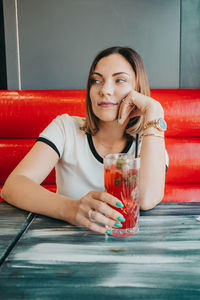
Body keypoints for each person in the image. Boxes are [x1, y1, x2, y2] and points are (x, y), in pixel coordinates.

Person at [1, 46, 168, 235]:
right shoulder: (65, 127)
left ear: (138, 90)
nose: (104, 90)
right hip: (66, 244)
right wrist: (71, 208)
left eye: (120, 80)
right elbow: (13, 186)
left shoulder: (150, 142)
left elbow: (146, 198)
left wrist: (154, 110)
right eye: (96, 80)